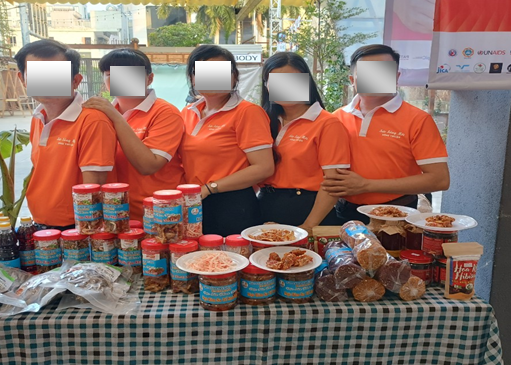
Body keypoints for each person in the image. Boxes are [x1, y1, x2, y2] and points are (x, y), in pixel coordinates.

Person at [322, 44, 450, 223]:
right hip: (342, 212)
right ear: (352, 79)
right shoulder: (336, 118)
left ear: (396, 77)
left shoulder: (418, 120)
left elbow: (440, 180)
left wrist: (367, 185)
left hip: (396, 214)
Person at [15, 40, 117, 230]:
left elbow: (93, 190)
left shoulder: (93, 121)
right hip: (42, 224)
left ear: (76, 80)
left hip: (76, 228)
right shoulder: (38, 118)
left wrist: (85, 232)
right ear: (22, 79)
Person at [179, 45, 274, 236]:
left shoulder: (247, 112)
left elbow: (264, 168)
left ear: (234, 76)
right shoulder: (187, 113)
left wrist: (210, 188)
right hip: (193, 202)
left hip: (232, 204)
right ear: (192, 77)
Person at [82, 48, 185, 222]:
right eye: (111, 75)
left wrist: (115, 117)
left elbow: (148, 165)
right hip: (114, 213)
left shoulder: (166, 113)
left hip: (159, 214)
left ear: (149, 78)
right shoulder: (98, 115)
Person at [259, 52, 350, 233]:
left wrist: (309, 225)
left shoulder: (327, 123)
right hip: (265, 207)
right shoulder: (264, 120)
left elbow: (334, 183)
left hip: (308, 210)